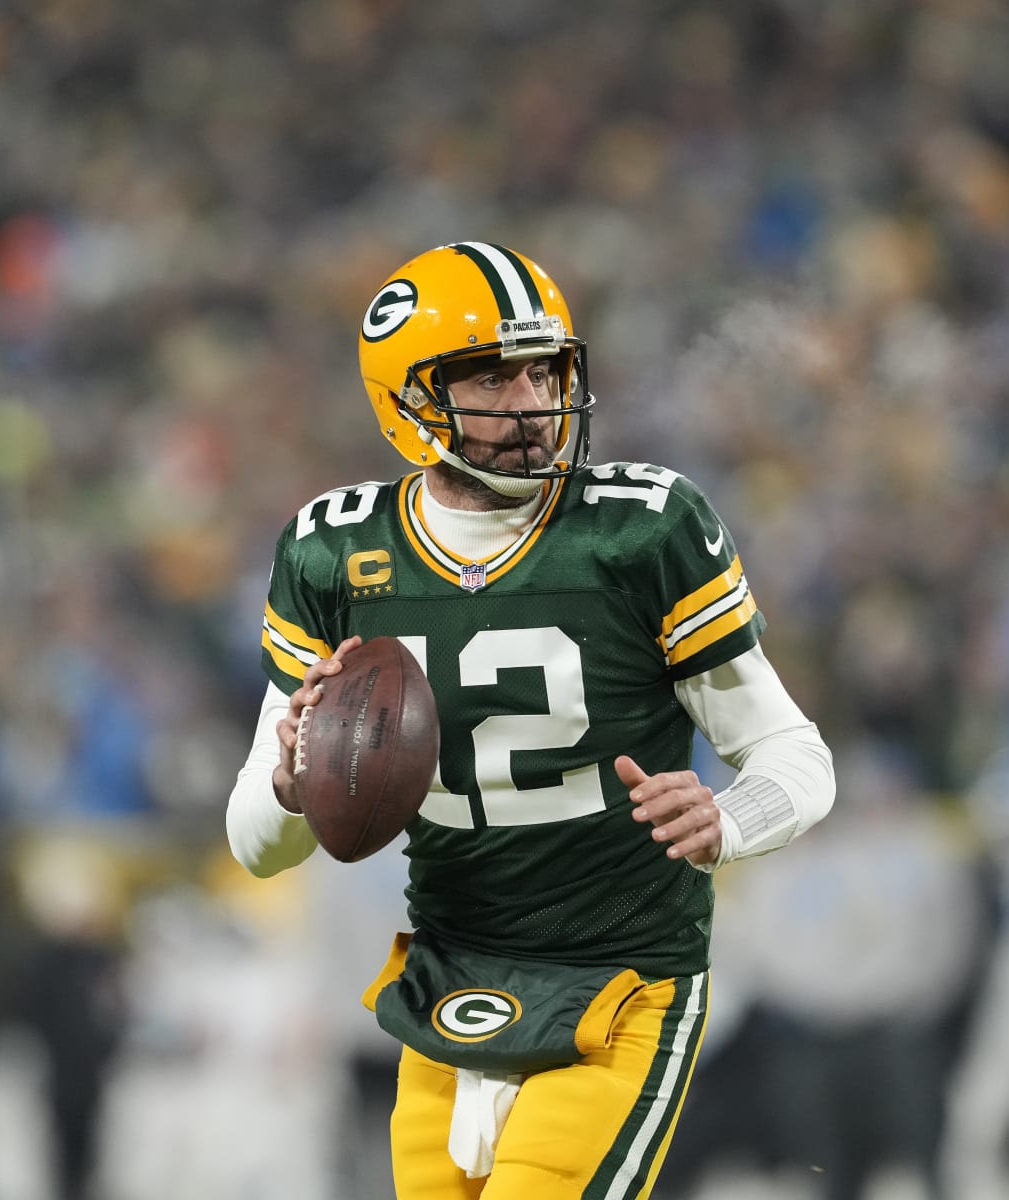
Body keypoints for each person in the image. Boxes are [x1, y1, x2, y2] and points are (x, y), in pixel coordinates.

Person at [225, 241, 835, 1199]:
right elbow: (257, 847)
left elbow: (795, 755)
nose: (528, 402)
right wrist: (290, 781)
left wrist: (731, 817)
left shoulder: (645, 529)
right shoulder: (333, 551)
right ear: (409, 400)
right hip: (449, 982)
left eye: (542, 370)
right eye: (491, 377)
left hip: (621, 983)